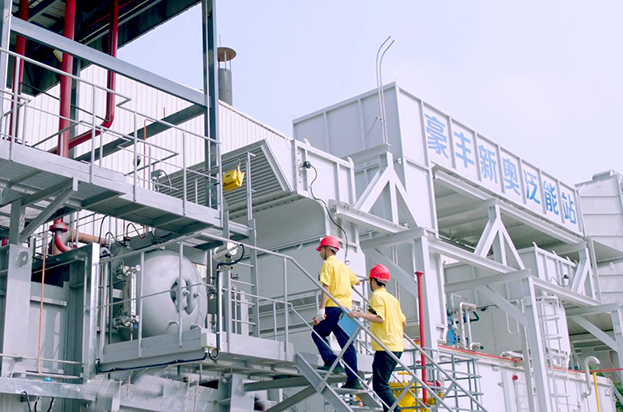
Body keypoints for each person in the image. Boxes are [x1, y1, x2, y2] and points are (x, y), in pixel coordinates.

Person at [348, 264, 406, 412]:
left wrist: (359, 314)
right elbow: (404, 322)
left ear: (373, 281)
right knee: (382, 384)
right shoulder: (393, 299)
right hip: (397, 346)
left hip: (385, 346)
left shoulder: (377, 296)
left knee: (380, 386)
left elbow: (380, 318)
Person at [312, 235, 361, 389]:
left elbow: (326, 287)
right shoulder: (343, 267)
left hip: (333, 308)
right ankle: (354, 380)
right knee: (347, 345)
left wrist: (322, 308)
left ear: (327, 249)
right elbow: (358, 281)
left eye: (321, 250)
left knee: (317, 333)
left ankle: (332, 362)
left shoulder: (328, 265)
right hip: (346, 311)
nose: (320, 253)